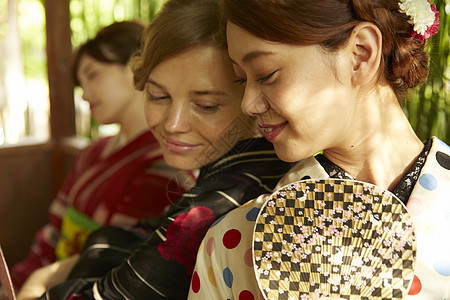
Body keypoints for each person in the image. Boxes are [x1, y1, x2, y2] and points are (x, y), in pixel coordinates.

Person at [16, 0, 294, 299]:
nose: (173, 124)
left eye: (206, 105)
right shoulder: (226, 171)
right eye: (158, 96)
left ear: (253, 97)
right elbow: (149, 235)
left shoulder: (232, 197)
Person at [190, 0, 449, 299]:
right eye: (242, 79)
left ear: (360, 54)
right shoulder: (231, 243)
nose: (248, 104)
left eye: (266, 73)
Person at [11, 21, 194, 290]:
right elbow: (53, 231)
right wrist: (16, 280)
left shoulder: (166, 162)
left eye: (92, 75)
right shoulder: (92, 151)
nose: (84, 94)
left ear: (135, 65)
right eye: (81, 84)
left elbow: (115, 259)